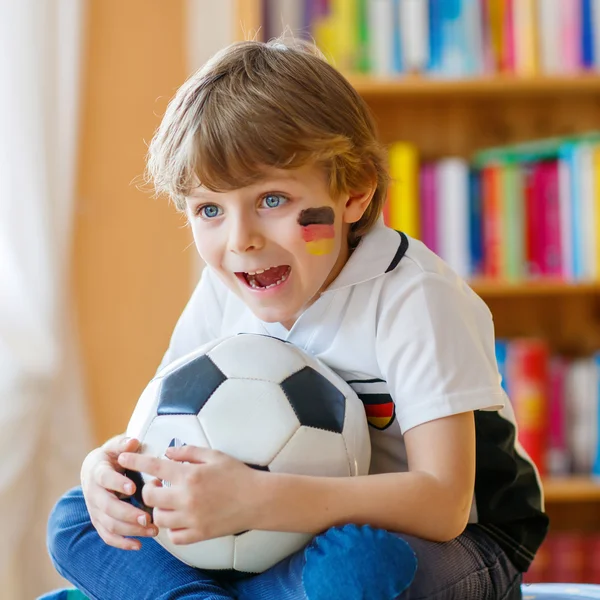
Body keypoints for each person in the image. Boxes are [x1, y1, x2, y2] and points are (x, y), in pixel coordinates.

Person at [46, 37, 549, 600]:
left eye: (272, 200)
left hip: (454, 539)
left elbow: (444, 504)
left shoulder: (414, 299)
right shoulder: (222, 293)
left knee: (359, 566)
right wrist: (108, 473)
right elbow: (158, 441)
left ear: (354, 193)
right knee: (76, 515)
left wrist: (258, 499)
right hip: (271, 536)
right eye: (210, 209)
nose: (241, 241)